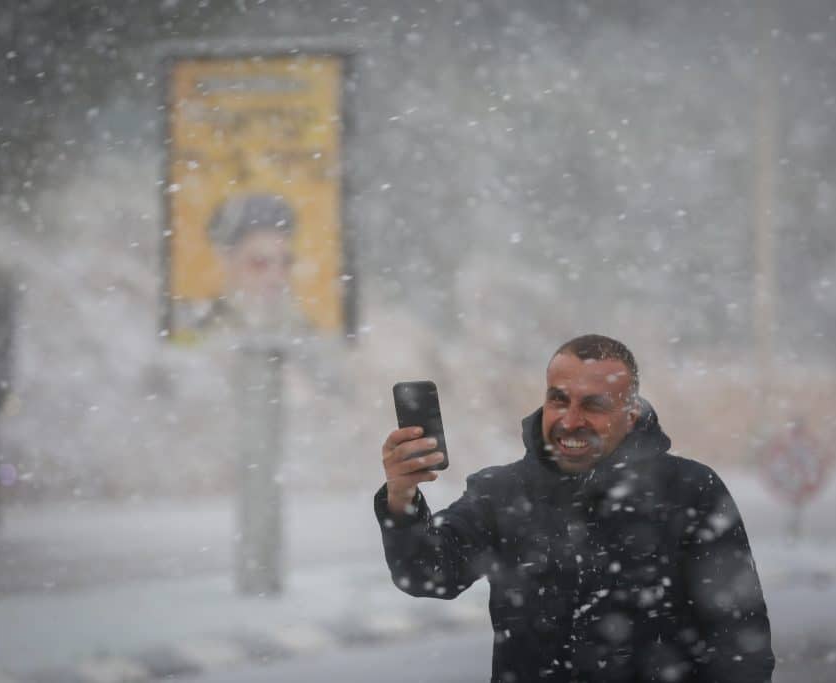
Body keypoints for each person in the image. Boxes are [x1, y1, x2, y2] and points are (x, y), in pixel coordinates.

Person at [375, 334, 774, 683]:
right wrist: (402, 498)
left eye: (593, 405)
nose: (570, 420)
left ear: (631, 414)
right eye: (558, 399)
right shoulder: (502, 491)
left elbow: (739, 641)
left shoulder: (692, 491)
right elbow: (428, 574)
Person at [202, 192, 308, 336]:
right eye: (259, 263)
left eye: (285, 263)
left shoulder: (308, 338)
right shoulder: (198, 339)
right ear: (226, 261)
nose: (276, 278)